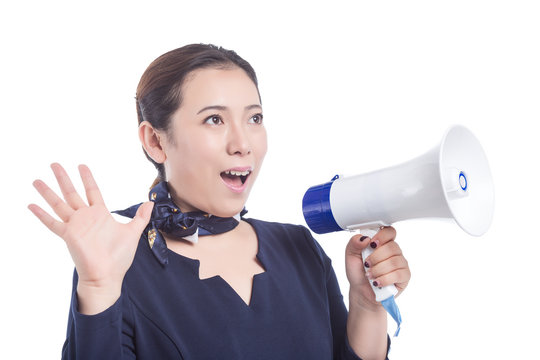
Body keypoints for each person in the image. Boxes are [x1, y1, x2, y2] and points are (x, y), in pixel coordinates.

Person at [28, 44, 411, 360]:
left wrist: (367, 304)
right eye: (214, 120)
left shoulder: (300, 248)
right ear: (155, 141)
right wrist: (98, 288)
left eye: (254, 118)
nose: (242, 143)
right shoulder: (116, 255)